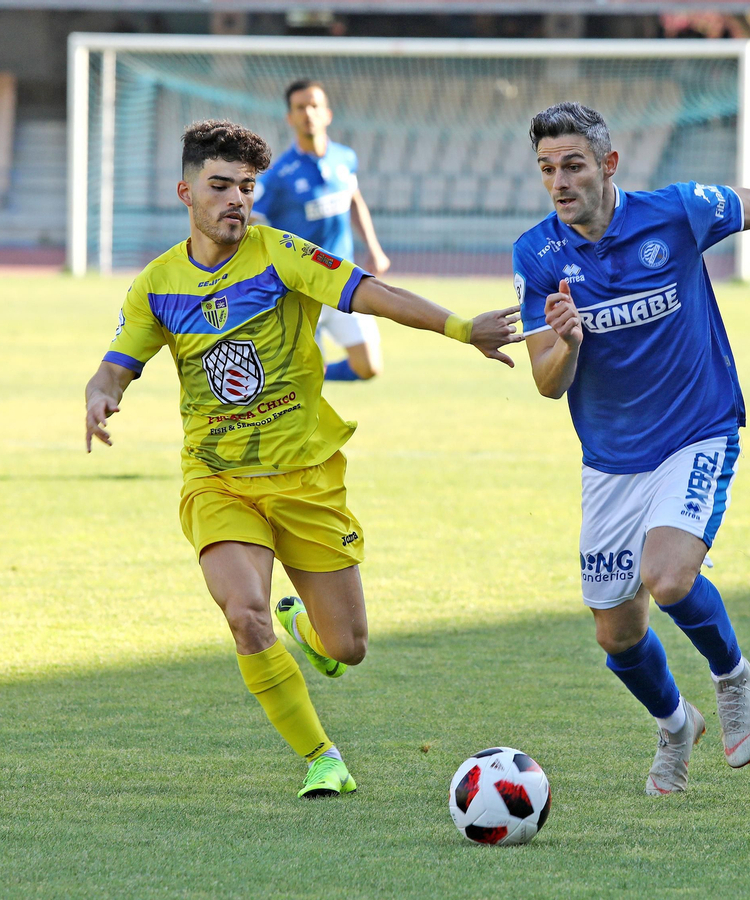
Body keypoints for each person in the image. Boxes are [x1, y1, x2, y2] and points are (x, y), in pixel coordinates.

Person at [83, 120, 521, 800]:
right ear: (186, 191)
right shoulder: (155, 285)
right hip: (219, 481)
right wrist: (99, 397)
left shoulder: (279, 254)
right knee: (244, 614)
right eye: (220, 186)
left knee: (347, 647)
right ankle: (323, 758)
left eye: (246, 188)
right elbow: (117, 365)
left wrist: (461, 328)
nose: (236, 199)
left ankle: (307, 627)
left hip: (307, 481)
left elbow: (372, 292)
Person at [513, 103, 750, 795]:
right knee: (616, 634)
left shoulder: (674, 213)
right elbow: (548, 384)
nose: (560, 181)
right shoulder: (537, 255)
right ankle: (675, 725)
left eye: (574, 165)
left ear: (609, 166)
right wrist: (569, 343)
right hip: (610, 460)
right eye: (548, 169)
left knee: (668, 577)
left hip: (696, 429)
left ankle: (733, 677)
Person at [252, 79, 390, 382]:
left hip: (344, 280)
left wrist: (374, 248)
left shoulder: (345, 158)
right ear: (290, 118)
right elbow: (252, 221)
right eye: (300, 107)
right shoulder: (278, 175)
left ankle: (320, 374)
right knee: (302, 381)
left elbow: (354, 201)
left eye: (314, 106)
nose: (308, 113)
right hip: (301, 290)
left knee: (369, 367)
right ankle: (310, 377)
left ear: (327, 113)